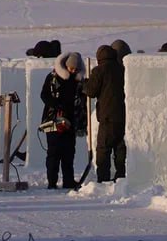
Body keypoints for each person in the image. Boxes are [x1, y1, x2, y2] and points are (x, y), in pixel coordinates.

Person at [39, 51, 86, 190]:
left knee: (69, 153)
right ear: (66, 66)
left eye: (75, 69)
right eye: (71, 68)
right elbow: (44, 95)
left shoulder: (78, 81)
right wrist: (56, 104)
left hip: (71, 121)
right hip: (54, 120)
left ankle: (68, 181)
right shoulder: (53, 77)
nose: (73, 71)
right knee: (54, 153)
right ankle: (52, 182)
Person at [83, 44, 126, 183]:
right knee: (120, 148)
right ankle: (121, 177)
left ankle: (103, 179)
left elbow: (91, 91)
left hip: (107, 116)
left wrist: (85, 84)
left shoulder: (99, 70)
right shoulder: (122, 69)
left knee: (103, 149)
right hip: (123, 115)